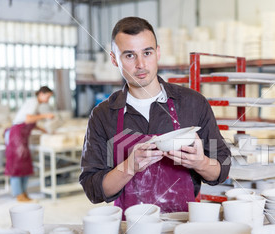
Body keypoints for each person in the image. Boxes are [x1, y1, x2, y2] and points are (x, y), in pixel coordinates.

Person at [79, 17, 231, 217]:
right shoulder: (103, 115)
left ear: (158, 53)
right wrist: (129, 166)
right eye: (129, 56)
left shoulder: (192, 103)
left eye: (147, 53)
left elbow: (222, 169)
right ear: (114, 59)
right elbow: (94, 189)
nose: (141, 64)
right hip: (131, 229)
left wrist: (200, 163)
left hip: (184, 226)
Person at [5, 86, 55, 202]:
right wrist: (46, 116)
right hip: (16, 135)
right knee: (17, 164)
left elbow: (32, 122)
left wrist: (45, 130)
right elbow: (27, 119)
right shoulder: (33, 102)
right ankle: (19, 194)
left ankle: (23, 192)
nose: (48, 99)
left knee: (25, 164)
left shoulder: (36, 105)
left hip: (22, 137)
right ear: (41, 94)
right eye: (47, 96)